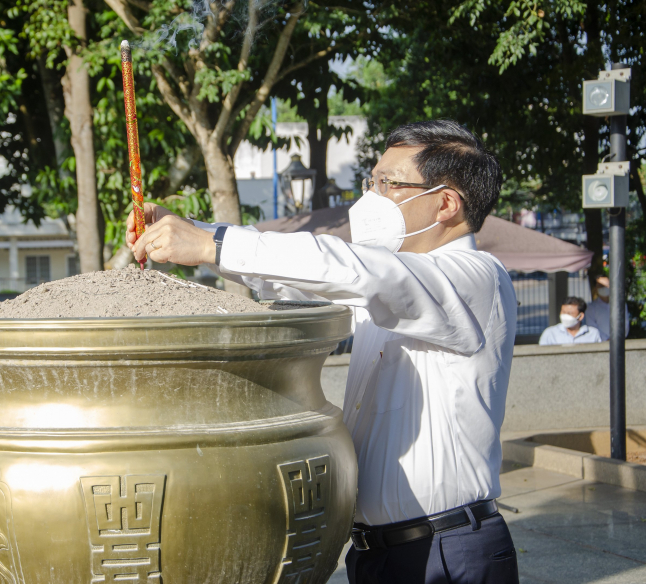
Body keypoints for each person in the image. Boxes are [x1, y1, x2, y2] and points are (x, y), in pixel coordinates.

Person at [127, 120, 519, 583]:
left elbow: (350, 268)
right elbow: (301, 280)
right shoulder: (393, 289)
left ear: (446, 203)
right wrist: (193, 232)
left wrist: (214, 244)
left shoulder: (474, 278)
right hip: (378, 553)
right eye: (370, 181)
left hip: (445, 552)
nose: (371, 197)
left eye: (387, 184)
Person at [584, 276, 629, 341]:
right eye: (600, 286)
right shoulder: (591, 307)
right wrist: (606, 339)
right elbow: (592, 327)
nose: (604, 288)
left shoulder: (621, 304)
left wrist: (618, 339)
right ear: (595, 288)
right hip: (600, 343)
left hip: (619, 342)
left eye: (607, 285)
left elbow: (625, 323)